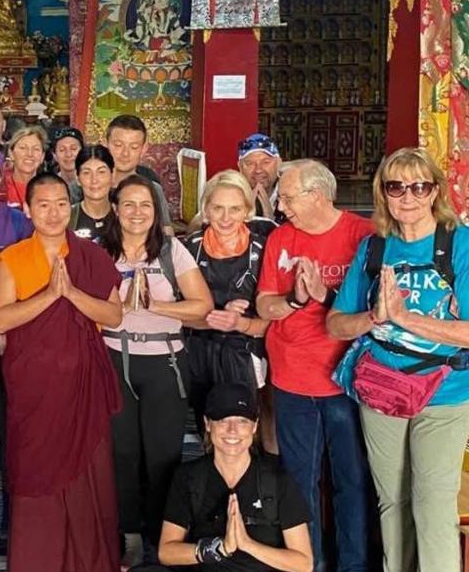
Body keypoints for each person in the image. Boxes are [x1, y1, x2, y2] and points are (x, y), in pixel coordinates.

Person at [327, 148, 469, 572]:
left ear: (434, 192)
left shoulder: (458, 242)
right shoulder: (375, 248)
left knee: (432, 503)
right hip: (383, 389)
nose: (408, 196)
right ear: (383, 194)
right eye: (396, 187)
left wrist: (407, 318)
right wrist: (374, 317)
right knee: (392, 501)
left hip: (445, 391)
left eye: (419, 186)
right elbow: (335, 324)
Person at [0, 173, 124, 571]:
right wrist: (50, 295)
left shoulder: (91, 256)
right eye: (44, 205)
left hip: (83, 391)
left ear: (72, 207)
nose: (54, 213)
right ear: (28, 210)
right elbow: (0, 320)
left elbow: (114, 315)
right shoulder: (13, 258)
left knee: (88, 483)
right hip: (35, 394)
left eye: (62, 204)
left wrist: (72, 294)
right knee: (36, 479)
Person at [256, 159, 373, 572]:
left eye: (287, 196)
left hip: (348, 380)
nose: (281, 204)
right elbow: (264, 305)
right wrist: (296, 300)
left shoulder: (364, 235)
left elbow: (376, 307)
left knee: (352, 481)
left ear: (317, 195)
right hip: (292, 377)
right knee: (299, 481)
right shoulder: (281, 239)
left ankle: (354, 564)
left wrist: (326, 293)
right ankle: (310, 563)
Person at [101, 174, 213, 566]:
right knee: (122, 451)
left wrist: (154, 306)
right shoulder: (102, 251)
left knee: (163, 455)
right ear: (115, 209)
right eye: (128, 204)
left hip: (165, 361)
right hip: (115, 359)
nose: (136, 213)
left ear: (156, 211)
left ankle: (165, 534)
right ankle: (130, 534)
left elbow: (201, 307)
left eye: (145, 205)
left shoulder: (170, 251)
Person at [158, 383, 313, 572]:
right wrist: (220, 547)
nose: (232, 430)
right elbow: (166, 552)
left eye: (242, 421)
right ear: (207, 423)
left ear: (255, 426)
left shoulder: (277, 481)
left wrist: (247, 544)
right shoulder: (189, 477)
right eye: (223, 420)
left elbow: (303, 563)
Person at [183, 170, 277, 450]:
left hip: (246, 352)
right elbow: (178, 308)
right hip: (199, 349)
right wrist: (216, 312)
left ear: (248, 210)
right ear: (206, 210)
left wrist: (240, 322)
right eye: (218, 208)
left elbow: (273, 317)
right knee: (208, 427)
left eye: (235, 209)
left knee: (246, 428)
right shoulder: (189, 249)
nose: (225, 218)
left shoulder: (265, 249)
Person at [105, 114, 173, 228]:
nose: (125, 153)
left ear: (144, 148)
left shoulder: (153, 189)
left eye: (134, 147)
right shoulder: (90, 186)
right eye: (118, 145)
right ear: (106, 143)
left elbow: (165, 232)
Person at [69, 144, 115, 243]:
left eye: (101, 172)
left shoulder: (125, 215)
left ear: (112, 175)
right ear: (77, 178)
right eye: (86, 173)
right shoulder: (67, 217)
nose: (94, 180)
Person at [238, 133, 283, 222]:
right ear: (240, 167)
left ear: (278, 163)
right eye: (250, 163)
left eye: (266, 162)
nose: (258, 170)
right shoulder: (232, 196)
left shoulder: (291, 194)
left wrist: (271, 222)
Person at [0, 125, 47, 209]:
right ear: (11, 153)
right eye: (23, 148)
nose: (29, 154)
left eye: (36, 149)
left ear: (42, 156)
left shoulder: (51, 188)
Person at [51, 126, 84, 202]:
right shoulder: (50, 183)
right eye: (62, 150)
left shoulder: (90, 182)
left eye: (73, 149)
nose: (68, 154)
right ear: (54, 155)